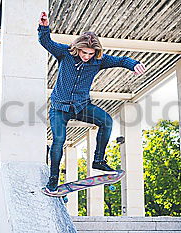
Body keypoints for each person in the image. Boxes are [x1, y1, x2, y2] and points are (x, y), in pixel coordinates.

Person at [38, 12, 146, 193]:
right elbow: (46, 42)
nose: (87, 56)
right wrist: (44, 27)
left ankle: (99, 160)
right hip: (59, 108)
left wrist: (133, 64)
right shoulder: (65, 53)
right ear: (78, 48)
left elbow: (121, 60)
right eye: (84, 52)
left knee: (107, 121)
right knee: (59, 139)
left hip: (81, 107)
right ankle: (53, 180)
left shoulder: (99, 60)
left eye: (90, 53)